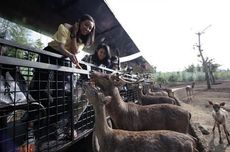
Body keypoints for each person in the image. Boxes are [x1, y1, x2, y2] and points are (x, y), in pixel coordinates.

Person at [29, 14, 95, 140]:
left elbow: (74, 51)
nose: (87, 29)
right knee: (39, 86)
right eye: (86, 25)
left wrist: (75, 34)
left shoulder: (82, 40)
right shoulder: (64, 27)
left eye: (90, 28)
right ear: (80, 22)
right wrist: (70, 53)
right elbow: (60, 47)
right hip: (49, 55)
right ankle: (33, 117)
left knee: (59, 91)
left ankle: (53, 124)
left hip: (64, 60)